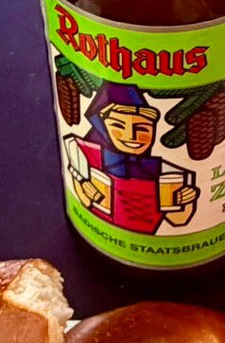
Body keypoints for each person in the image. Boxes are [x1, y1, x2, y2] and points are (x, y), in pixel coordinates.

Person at [68, 83, 198, 234]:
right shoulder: (87, 155)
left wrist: (185, 202)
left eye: (142, 128)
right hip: (97, 229)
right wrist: (85, 191)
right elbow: (83, 198)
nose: (131, 136)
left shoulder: (164, 172)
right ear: (103, 127)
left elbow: (179, 220)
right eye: (118, 126)